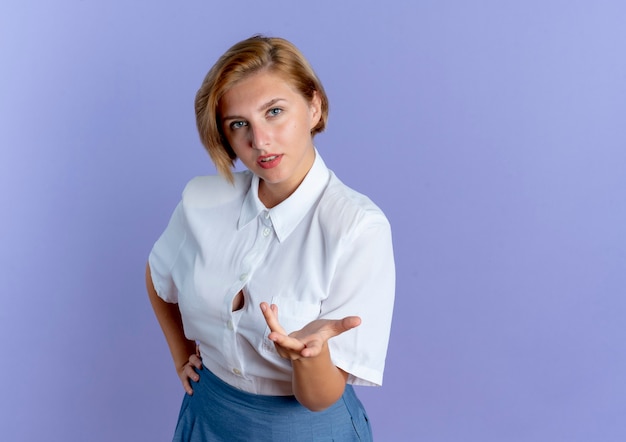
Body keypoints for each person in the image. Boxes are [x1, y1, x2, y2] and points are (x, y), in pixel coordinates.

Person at [146, 35, 395, 442]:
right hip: (207, 414)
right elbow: (157, 276)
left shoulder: (357, 228)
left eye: (274, 112)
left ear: (314, 106)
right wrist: (182, 356)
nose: (259, 141)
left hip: (306, 427)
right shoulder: (201, 200)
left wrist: (307, 359)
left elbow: (321, 397)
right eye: (238, 124)